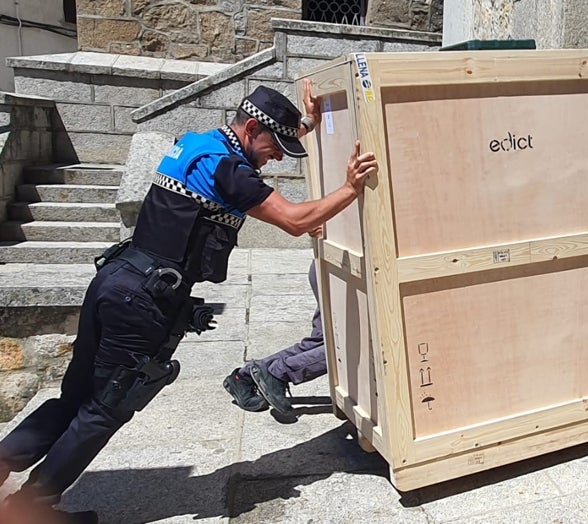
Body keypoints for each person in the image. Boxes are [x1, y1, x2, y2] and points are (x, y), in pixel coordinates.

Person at [0, 80, 377, 524]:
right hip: (143, 302)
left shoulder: (200, 143)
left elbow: (257, 152)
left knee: (75, 396)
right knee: (107, 406)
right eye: (274, 145)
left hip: (115, 280)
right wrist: (352, 187)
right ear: (253, 127)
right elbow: (295, 221)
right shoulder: (229, 171)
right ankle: (30, 509)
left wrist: (307, 121)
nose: (277, 156)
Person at [224, 259, 325, 414]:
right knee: (348, 349)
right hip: (344, 272)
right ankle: (278, 373)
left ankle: (245, 377)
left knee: (322, 342)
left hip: (327, 268)